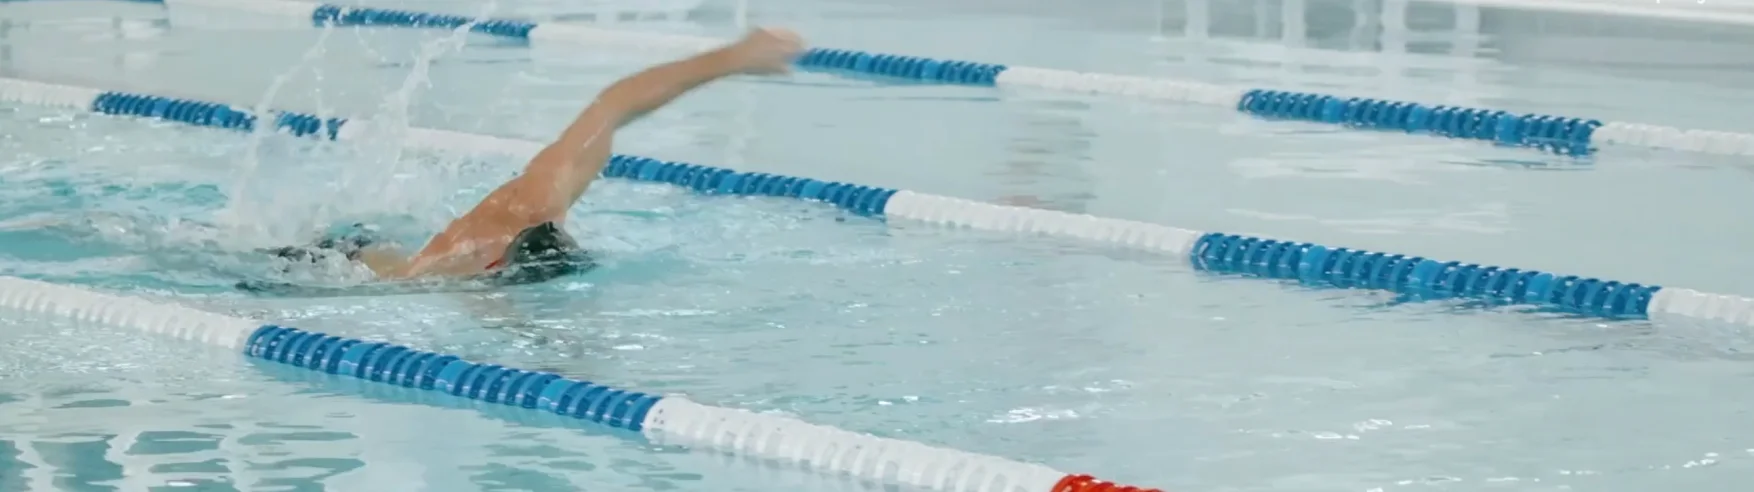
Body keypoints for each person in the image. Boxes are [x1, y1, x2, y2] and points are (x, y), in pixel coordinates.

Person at [260, 27, 806, 288]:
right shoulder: (451, 271)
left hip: (372, 249)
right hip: (331, 263)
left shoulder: (538, 200)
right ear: (498, 266)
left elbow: (614, 105)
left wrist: (732, 58)